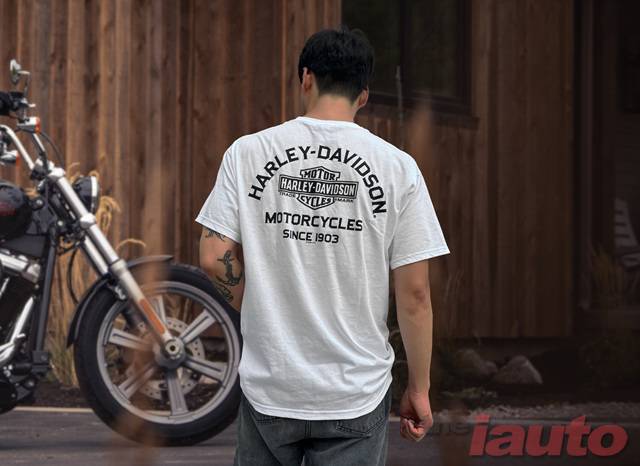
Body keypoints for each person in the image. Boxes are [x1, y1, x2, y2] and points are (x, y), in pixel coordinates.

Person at [196, 27, 449, 466]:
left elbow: (213, 257)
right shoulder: (398, 168)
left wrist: (259, 305)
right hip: (355, 392)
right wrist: (419, 388)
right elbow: (415, 294)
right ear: (364, 95)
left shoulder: (247, 153)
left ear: (306, 78)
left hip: (270, 388)